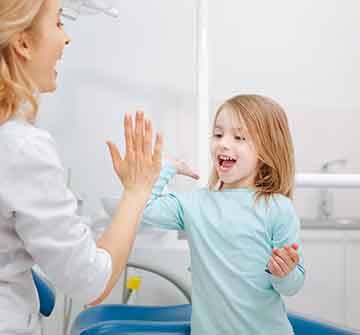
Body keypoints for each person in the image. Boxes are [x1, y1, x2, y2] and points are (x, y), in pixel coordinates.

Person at [0, 0, 162, 333]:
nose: (67, 38)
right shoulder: (21, 146)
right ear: (23, 43)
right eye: (58, 23)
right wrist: (137, 190)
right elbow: (91, 282)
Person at [141, 94, 305, 334]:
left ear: (266, 150)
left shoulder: (277, 208)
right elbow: (144, 208)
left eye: (239, 137)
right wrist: (167, 168)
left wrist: (284, 273)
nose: (223, 144)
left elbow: (292, 286)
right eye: (218, 134)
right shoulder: (195, 204)